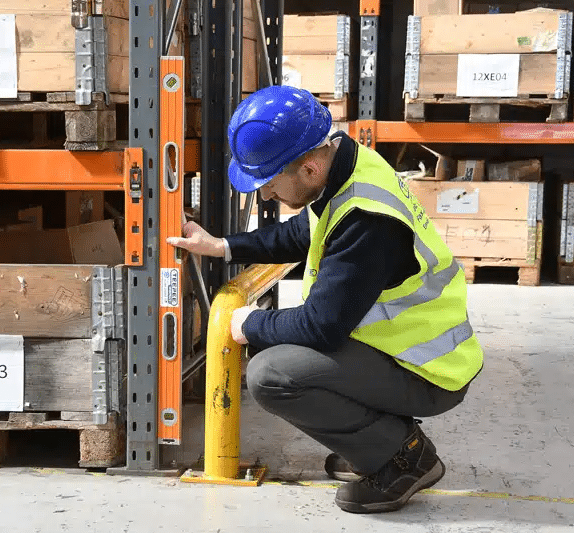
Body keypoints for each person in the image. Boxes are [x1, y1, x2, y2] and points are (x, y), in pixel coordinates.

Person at [167, 85, 483, 514]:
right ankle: (381, 440)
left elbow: (321, 326)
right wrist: (222, 245)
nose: (264, 195)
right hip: (402, 351)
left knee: (272, 374)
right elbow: (302, 233)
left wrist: (246, 324)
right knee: (283, 356)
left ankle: (404, 459)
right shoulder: (346, 166)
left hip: (426, 369)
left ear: (310, 168)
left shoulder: (367, 221)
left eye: (270, 181)